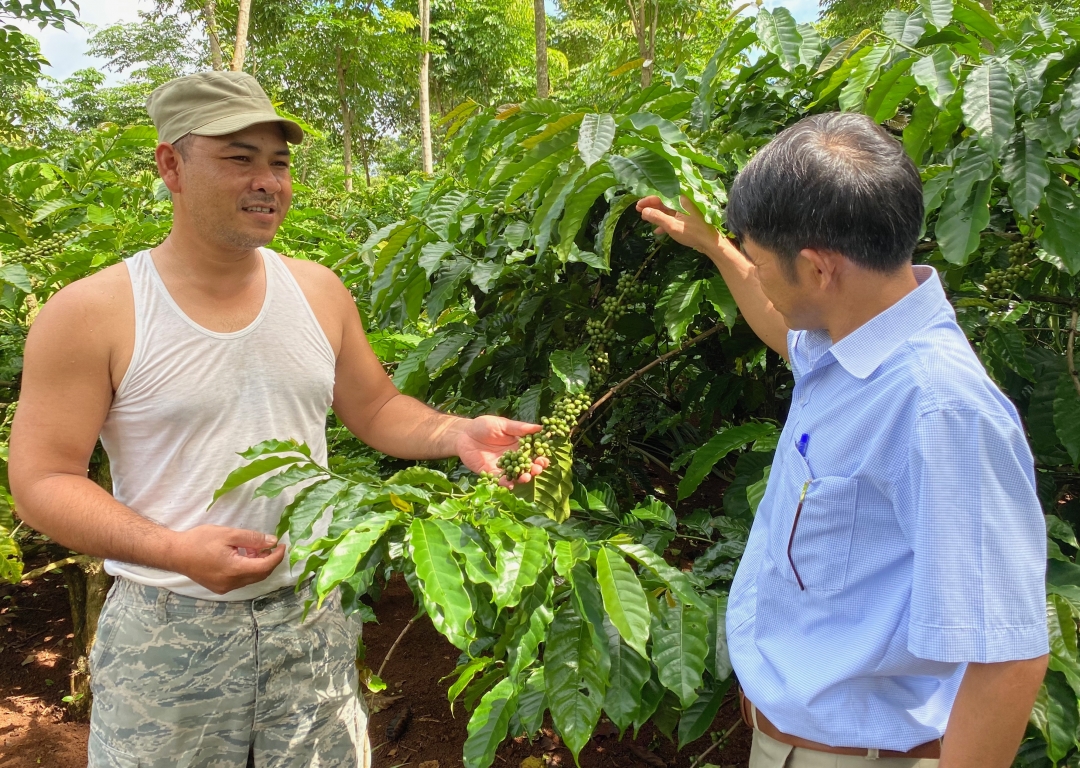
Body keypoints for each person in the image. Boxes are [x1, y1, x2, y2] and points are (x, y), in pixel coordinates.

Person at [8, 70, 546, 768]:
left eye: (280, 162)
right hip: (170, 628)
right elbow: (43, 478)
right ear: (170, 164)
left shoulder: (317, 291)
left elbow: (377, 407)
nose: (268, 181)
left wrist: (455, 433)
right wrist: (174, 551)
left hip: (311, 612)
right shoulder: (93, 311)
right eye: (240, 159)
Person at [638, 112, 1048, 768]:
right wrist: (717, 247)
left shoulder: (939, 411)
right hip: (794, 744)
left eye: (762, 260)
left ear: (820, 268)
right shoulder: (848, 339)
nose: (759, 275)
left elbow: (1008, 655)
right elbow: (781, 325)